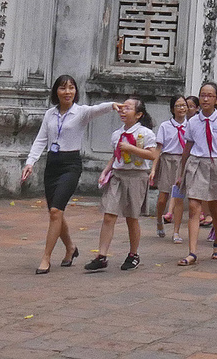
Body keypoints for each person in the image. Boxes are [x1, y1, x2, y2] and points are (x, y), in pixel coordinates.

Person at [20, 75, 120, 274]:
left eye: (71, 88)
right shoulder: (50, 114)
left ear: (76, 91)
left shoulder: (80, 112)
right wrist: (30, 162)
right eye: (63, 88)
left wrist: (113, 105)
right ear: (56, 92)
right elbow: (41, 139)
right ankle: (71, 248)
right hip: (52, 165)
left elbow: (96, 109)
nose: (68, 92)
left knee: (56, 211)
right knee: (55, 212)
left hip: (70, 165)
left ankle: (46, 257)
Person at [84, 96, 159, 272]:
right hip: (118, 175)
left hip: (136, 176)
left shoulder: (146, 133)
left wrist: (131, 149)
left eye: (128, 108)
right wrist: (106, 170)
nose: (123, 111)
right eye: (122, 108)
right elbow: (115, 154)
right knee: (109, 214)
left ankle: (133, 254)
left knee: (132, 218)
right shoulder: (117, 134)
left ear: (139, 114)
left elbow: (152, 155)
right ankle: (101, 255)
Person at [176, 81, 217, 266]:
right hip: (196, 164)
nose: (205, 98)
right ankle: (192, 252)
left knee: (216, 207)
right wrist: (180, 172)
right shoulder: (193, 121)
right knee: (194, 207)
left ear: (216, 99)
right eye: (202, 94)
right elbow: (188, 147)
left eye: (210, 95)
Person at [152, 95, 191, 241]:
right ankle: (159, 221)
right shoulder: (165, 126)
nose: (182, 108)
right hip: (167, 161)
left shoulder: (190, 125)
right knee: (163, 198)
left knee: (179, 198)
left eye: (184, 105)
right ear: (172, 109)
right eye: (178, 106)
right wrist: (154, 169)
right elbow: (158, 149)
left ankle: (176, 232)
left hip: (183, 161)